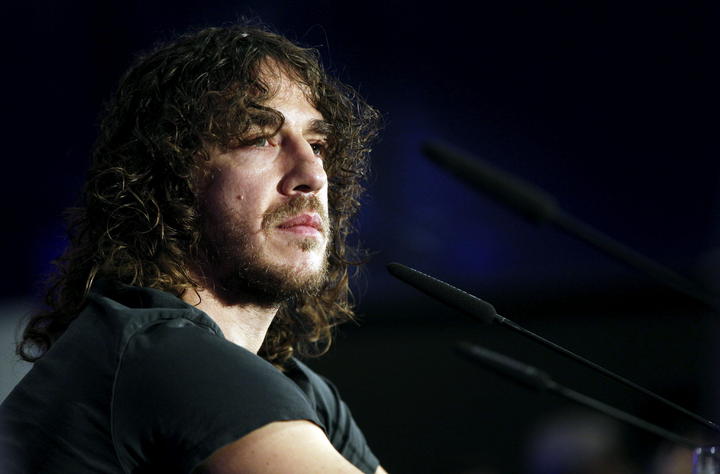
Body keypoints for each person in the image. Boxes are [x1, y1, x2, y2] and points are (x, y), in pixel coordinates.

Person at [0, 24, 386, 473]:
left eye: (317, 145)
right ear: (170, 178)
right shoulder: (168, 359)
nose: (313, 175)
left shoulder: (297, 389)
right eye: (259, 138)